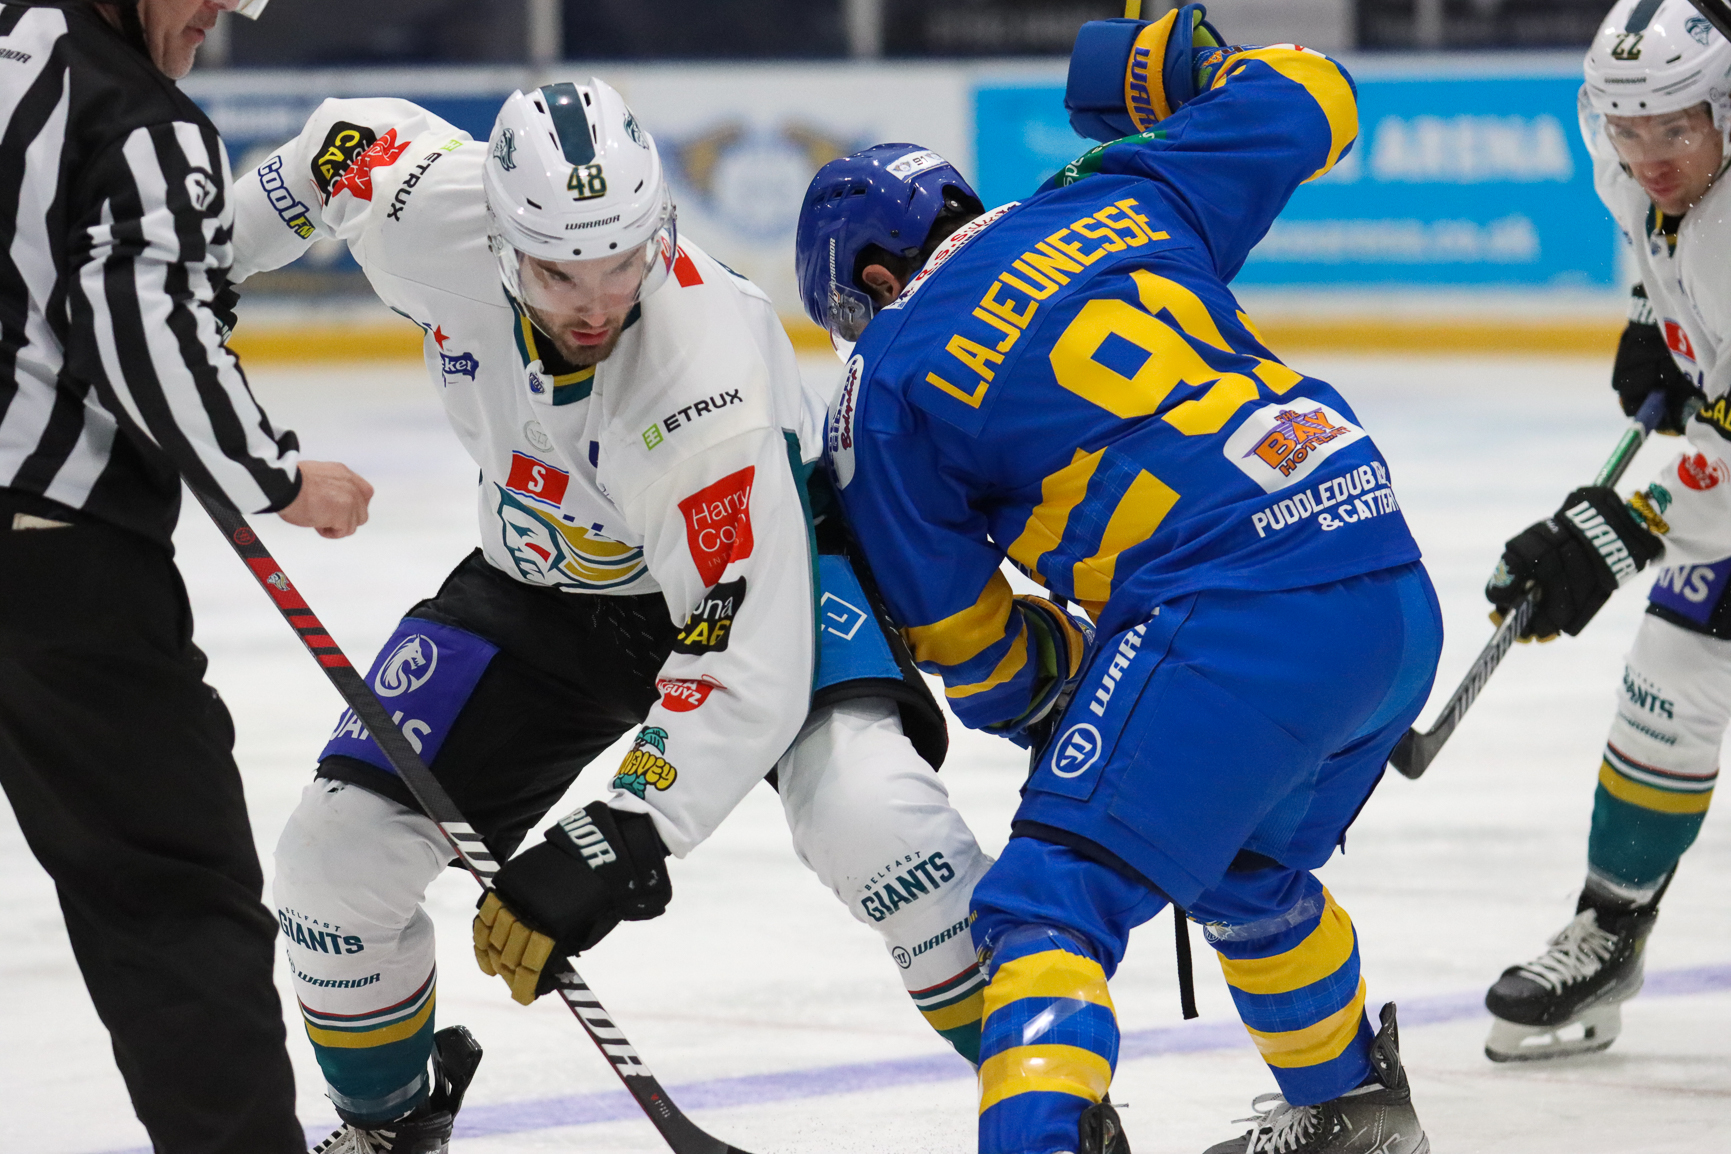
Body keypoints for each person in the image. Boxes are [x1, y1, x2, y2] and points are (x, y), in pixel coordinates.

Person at [226, 79, 992, 1152]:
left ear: (659, 227)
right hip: (546, 585)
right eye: (558, 273)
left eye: (623, 263)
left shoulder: (705, 381)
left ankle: (1055, 1098)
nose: (596, 305)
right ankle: (389, 1126)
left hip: (766, 572)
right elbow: (336, 145)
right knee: (333, 866)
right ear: (500, 238)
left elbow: (741, 643)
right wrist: (178, 284)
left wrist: (624, 831)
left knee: (877, 824)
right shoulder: (428, 210)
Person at [795, 7, 1446, 1153]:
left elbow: (972, 651)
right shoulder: (1116, 192)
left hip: (1231, 610)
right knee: (1241, 861)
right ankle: (1353, 1111)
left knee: (1044, 903)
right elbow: (1316, 89)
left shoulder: (883, 386)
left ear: (876, 279)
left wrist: (1064, 679)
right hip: (1382, 566)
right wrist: (1189, 65)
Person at [0, 2, 375, 1152]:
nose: (225, 9)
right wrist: (276, 474)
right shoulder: (137, 120)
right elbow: (146, 335)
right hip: (52, 564)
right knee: (176, 891)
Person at [1480, 0, 1731, 1064]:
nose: (1649, 155)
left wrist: (1621, 529)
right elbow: (1654, 238)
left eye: (1675, 127)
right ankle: (1612, 930)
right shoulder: (1635, 173)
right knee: (1667, 681)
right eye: (1627, 128)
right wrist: (1652, 318)